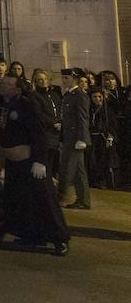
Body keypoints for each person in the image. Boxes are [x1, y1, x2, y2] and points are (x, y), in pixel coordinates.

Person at [0, 73, 69, 256]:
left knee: (44, 200)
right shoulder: (1, 104)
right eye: (3, 83)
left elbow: (38, 133)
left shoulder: (27, 105)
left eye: (8, 84)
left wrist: (40, 161)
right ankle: (31, 234)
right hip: (14, 162)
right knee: (20, 200)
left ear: (17, 88)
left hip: (31, 161)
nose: (3, 86)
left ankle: (60, 239)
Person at [59, 68, 91, 210]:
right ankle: (83, 200)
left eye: (67, 78)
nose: (64, 80)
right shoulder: (69, 94)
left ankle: (61, 197)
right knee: (79, 171)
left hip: (75, 138)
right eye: (63, 78)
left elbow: (83, 118)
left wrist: (82, 138)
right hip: (69, 137)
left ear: (75, 79)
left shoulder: (79, 95)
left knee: (67, 168)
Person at [89, 88, 117, 189]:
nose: (97, 99)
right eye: (94, 97)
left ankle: (107, 184)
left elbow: (112, 125)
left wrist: (110, 136)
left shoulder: (107, 110)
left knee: (106, 161)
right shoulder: (90, 110)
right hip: (93, 138)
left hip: (103, 138)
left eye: (99, 96)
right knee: (93, 162)